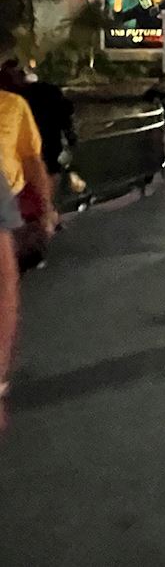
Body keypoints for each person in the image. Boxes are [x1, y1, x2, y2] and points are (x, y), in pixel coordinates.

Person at [0, 83, 56, 418]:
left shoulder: (14, 106)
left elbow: (32, 160)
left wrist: (46, 209)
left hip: (9, 198)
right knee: (5, 282)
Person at [2, 61, 76, 177]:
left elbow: (65, 113)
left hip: (43, 148)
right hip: (45, 149)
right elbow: (66, 113)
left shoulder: (13, 99)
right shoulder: (46, 91)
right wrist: (69, 133)